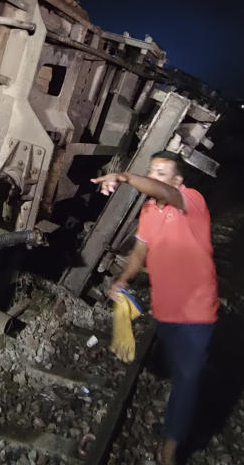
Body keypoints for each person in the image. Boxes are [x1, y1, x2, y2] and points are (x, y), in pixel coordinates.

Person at [92, 151, 217, 465]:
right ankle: (179, 422)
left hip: (197, 308)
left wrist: (125, 177)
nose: (155, 177)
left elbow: (164, 192)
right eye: (152, 171)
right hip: (165, 308)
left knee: (188, 377)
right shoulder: (148, 211)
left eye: (162, 173)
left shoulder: (191, 200)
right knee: (178, 373)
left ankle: (170, 451)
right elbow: (139, 253)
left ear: (177, 181)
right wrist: (123, 279)